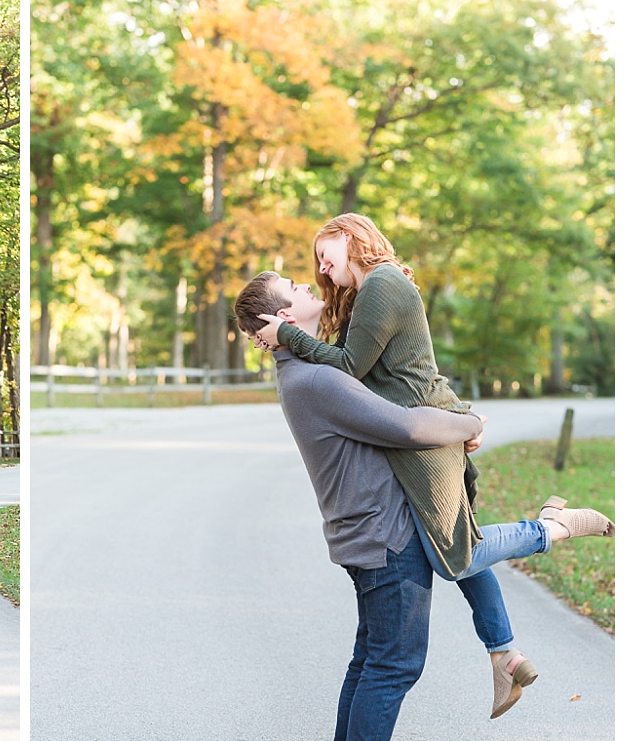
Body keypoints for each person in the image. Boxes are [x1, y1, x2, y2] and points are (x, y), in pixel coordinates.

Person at [233, 272, 607, 741]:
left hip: (370, 532)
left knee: (371, 660)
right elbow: (407, 426)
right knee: (394, 663)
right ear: (284, 318)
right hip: (385, 537)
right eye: (295, 287)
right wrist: (471, 423)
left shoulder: (307, 372)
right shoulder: (317, 379)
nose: (309, 286)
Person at [252, 214, 613, 715]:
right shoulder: (364, 295)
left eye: (324, 254)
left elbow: (350, 369)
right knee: (454, 545)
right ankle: (504, 655)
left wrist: (289, 338)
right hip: (419, 434)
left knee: (456, 554)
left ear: (349, 236)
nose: (321, 268)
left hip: (427, 435)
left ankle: (550, 527)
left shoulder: (382, 283)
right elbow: (349, 372)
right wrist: (289, 339)